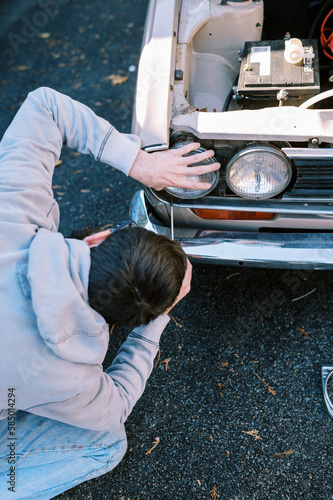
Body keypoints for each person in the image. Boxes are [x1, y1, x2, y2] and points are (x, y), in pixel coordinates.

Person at [0, 87, 220, 499]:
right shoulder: (68, 377)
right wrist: (154, 323)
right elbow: (115, 407)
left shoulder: (12, 208)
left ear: (99, 238)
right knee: (107, 445)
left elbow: (44, 105)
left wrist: (139, 162)